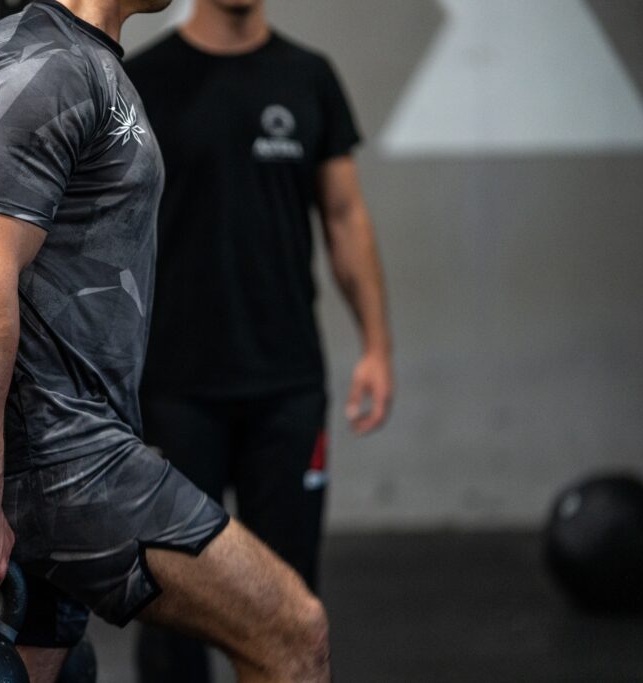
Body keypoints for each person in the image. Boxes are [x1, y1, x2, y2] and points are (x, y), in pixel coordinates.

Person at [0, 1, 332, 681]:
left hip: (63, 446)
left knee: (36, 668)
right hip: (57, 458)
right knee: (290, 629)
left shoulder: (79, 61)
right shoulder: (38, 69)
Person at [125, 0, 394, 680]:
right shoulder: (145, 79)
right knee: (171, 608)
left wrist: (376, 347)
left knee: (289, 603)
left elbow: (344, 216)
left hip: (287, 385)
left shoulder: (309, 76)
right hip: (173, 386)